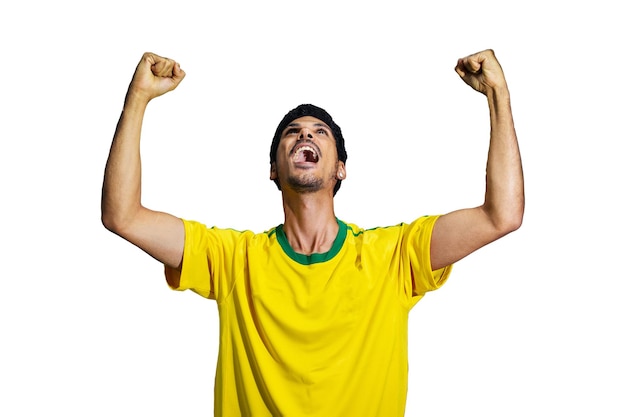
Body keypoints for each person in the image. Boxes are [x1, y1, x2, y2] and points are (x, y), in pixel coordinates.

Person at [101, 49, 524, 416]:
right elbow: (124, 216)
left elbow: (501, 216)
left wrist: (498, 96)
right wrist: (137, 99)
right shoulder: (233, 259)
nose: (305, 133)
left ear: (340, 169)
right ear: (273, 170)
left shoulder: (392, 257)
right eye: (293, 132)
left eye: (319, 132)